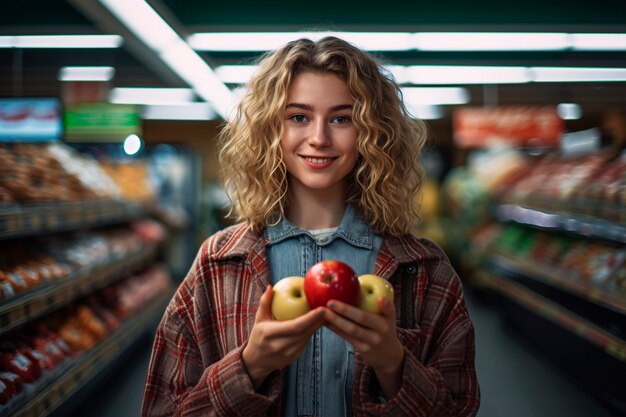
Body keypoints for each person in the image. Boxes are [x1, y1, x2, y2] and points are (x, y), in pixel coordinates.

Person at [142, 36, 480, 417]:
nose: (318, 138)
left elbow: (459, 409)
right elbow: (162, 409)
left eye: (341, 118)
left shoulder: (426, 270)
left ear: (372, 132)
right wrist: (250, 365)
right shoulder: (218, 264)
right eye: (298, 117)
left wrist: (393, 364)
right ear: (271, 130)